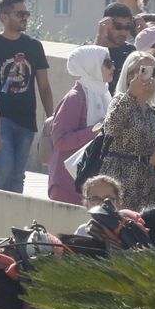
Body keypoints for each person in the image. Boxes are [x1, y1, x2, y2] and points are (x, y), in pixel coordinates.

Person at [0, 0, 53, 193]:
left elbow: (44, 86)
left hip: (26, 120)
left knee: (18, 174)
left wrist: (52, 118)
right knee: (5, 168)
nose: (25, 18)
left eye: (26, 13)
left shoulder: (34, 46)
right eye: (20, 14)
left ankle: (13, 219)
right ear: (4, 17)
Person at [98, 50, 155, 212]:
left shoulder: (152, 112)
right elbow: (110, 128)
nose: (150, 77)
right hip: (121, 177)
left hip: (146, 182)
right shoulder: (120, 100)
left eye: (154, 72)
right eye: (143, 71)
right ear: (130, 76)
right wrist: (130, 94)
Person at [47, 45, 114, 205]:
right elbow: (60, 140)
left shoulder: (104, 94)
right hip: (67, 183)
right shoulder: (75, 97)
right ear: (92, 66)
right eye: (107, 63)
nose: (113, 67)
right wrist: (94, 130)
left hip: (89, 180)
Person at [96, 3, 136, 92]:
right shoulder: (92, 48)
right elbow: (90, 69)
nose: (123, 31)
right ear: (106, 24)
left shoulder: (131, 51)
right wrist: (100, 36)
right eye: (118, 26)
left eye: (127, 26)